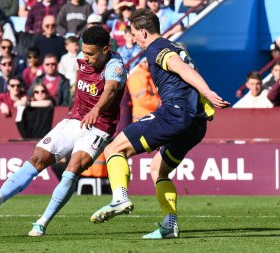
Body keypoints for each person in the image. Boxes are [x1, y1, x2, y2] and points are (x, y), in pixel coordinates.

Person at [90, 9, 230, 239]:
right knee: (158, 169)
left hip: (175, 114)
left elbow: (182, 69)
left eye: (134, 34)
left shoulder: (157, 48)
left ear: (143, 32)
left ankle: (119, 198)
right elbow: (186, 70)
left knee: (114, 149)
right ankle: (170, 224)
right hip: (196, 124)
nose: (133, 39)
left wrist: (208, 92)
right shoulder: (172, 45)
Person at [0, 26, 126, 237]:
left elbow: (111, 88)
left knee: (72, 168)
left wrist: (96, 109)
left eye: (90, 53)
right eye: (83, 52)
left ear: (106, 49)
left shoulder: (115, 66)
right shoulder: (84, 59)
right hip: (75, 119)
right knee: (38, 157)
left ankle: (42, 222)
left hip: (99, 125)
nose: (85, 57)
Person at [127, 57, 160, 122]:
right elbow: (143, 99)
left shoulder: (149, 74)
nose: (147, 64)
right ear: (140, 63)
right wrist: (160, 104)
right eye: (144, 62)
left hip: (151, 116)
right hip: (143, 118)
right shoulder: (136, 77)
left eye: (149, 61)